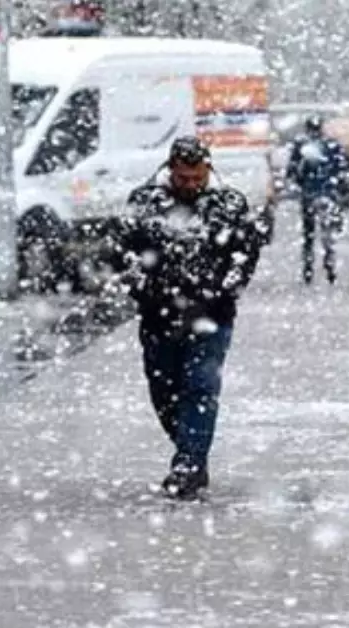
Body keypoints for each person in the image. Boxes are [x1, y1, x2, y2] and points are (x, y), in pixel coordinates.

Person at [111, 136, 268, 499]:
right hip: (159, 314)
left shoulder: (229, 203)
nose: (190, 186)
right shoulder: (145, 202)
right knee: (164, 390)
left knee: (200, 385)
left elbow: (244, 254)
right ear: (171, 171)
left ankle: (188, 462)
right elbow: (123, 250)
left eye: (196, 178)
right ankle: (191, 450)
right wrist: (141, 284)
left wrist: (224, 289)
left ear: (207, 170)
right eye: (183, 179)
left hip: (211, 315)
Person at [286, 116, 349, 285]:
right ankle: (329, 266)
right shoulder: (331, 146)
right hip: (328, 194)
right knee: (327, 233)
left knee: (309, 234)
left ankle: (308, 268)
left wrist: (298, 185)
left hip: (309, 195)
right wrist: (343, 192)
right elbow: (344, 169)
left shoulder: (301, 147)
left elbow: (293, 171)